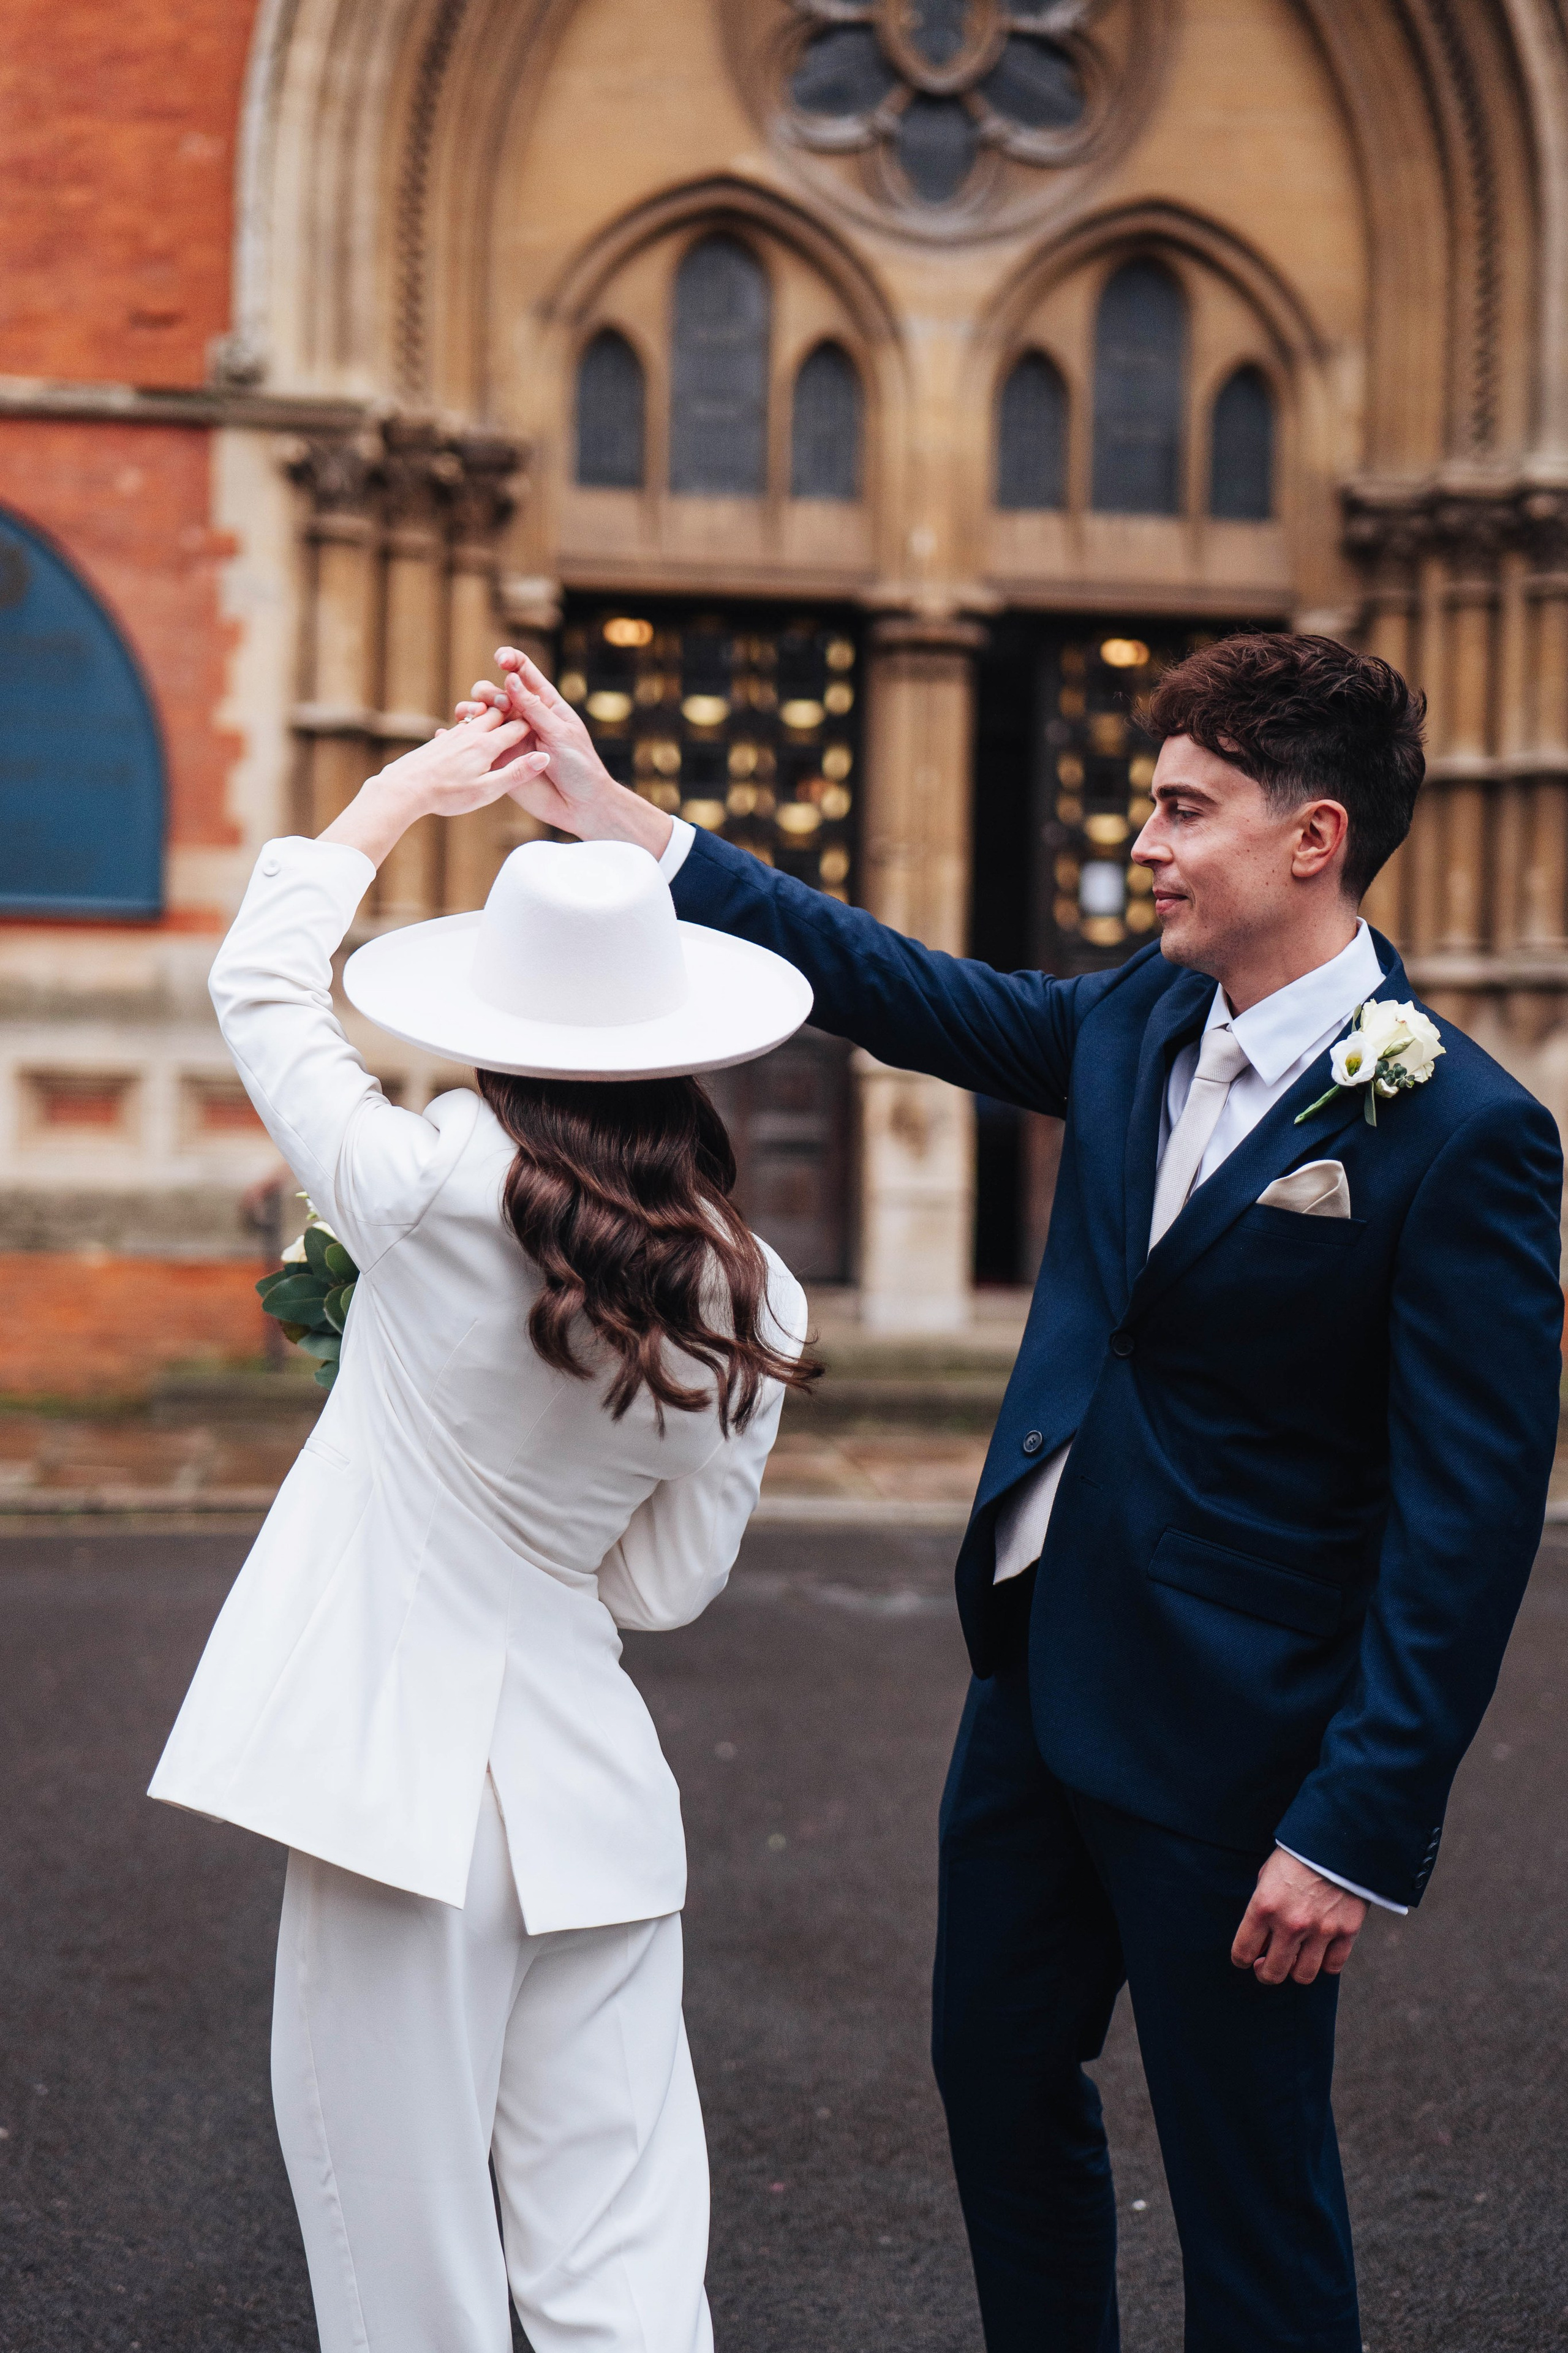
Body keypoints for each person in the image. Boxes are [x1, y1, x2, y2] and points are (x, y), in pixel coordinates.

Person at [457, 633, 1564, 2352]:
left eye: (1185, 810)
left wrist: (1355, 1822)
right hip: (1038, 1684)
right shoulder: (1132, 1018)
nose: (1145, 843)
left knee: (1245, 2176)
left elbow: (1469, 1518)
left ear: (1313, 837)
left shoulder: (1462, 1132)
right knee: (990, 2071)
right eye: (1148, 802)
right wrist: (622, 823)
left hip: (1243, 1738)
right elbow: (885, 979)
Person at [148, 704, 816, 2353]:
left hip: (401, 1800)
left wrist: (407, 790)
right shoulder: (759, 1295)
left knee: (408, 2281)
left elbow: (259, 985)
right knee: (623, 2273)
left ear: (494, 1029)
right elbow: (663, 1586)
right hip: (597, 1802)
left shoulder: (421, 1182)